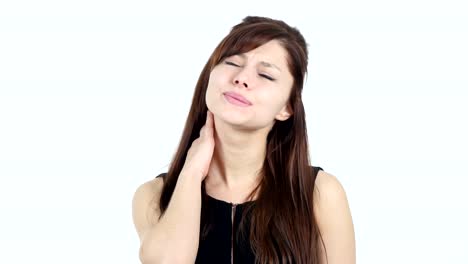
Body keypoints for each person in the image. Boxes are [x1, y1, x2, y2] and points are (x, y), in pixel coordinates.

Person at [132, 16, 355, 264]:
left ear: (287, 108)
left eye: (266, 75)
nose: (242, 78)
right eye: (232, 62)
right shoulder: (154, 196)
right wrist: (192, 172)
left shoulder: (318, 193)